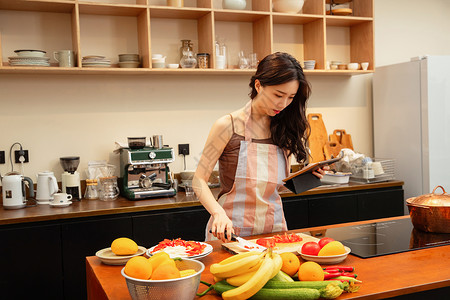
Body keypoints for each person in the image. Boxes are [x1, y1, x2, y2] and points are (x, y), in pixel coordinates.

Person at [192, 52, 325, 242]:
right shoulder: (227, 126)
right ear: (258, 85)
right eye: (278, 95)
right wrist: (218, 213)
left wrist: (308, 178)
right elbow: (198, 180)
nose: (283, 104)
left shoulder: (284, 128)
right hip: (230, 231)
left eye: (290, 97)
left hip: (274, 230)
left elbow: (274, 187)